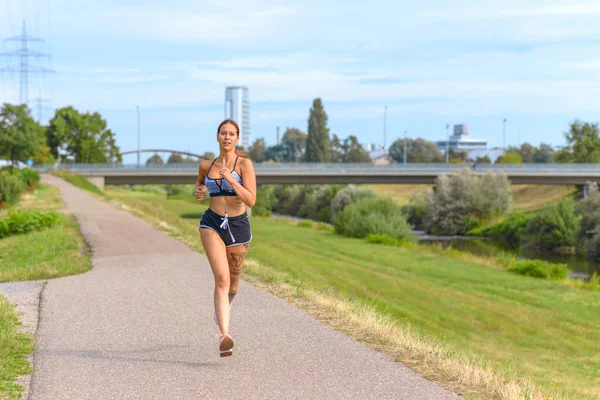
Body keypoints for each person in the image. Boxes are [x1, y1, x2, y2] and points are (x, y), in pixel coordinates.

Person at [195, 119, 256, 357]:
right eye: (223, 133)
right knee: (221, 279)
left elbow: (251, 200)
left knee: (233, 285)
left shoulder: (245, 165)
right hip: (211, 223)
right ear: (217, 137)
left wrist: (231, 180)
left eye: (232, 134)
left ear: (237, 138)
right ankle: (224, 335)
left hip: (238, 226)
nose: (227, 137)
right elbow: (200, 185)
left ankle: (221, 311)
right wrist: (199, 191)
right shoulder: (206, 165)